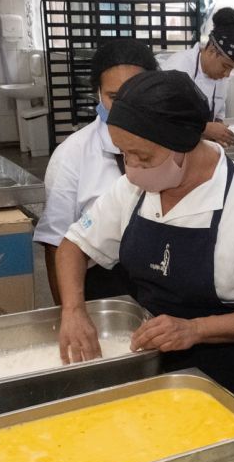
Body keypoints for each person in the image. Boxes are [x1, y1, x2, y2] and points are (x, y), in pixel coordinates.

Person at [55, 69, 234, 406]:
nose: (131, 167)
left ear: (182, 146)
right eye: (124, 154)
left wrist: (195, 329)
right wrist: (73, 310)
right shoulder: (132, 189)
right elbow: (73, 246)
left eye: (143, 157)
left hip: (225, 380)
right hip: (151, 367)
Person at [33, 38, 158, 304]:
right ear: (98, 93)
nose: (126, 106)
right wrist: (67, 312)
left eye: (136, 92)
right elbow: (56, 244)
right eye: (114, 97)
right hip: (104, 285)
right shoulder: (73, 155)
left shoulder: (169, 145)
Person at [160, 7, 234, 148]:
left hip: (199, 148)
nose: (227, 74)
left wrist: (219, 128)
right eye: (226, 66)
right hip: (170, 148)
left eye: (232, 69)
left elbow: (219, 111)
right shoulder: (178, 68)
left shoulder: (221, 77)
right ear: (212, 50)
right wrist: (204, 128)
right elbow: (161, 117)